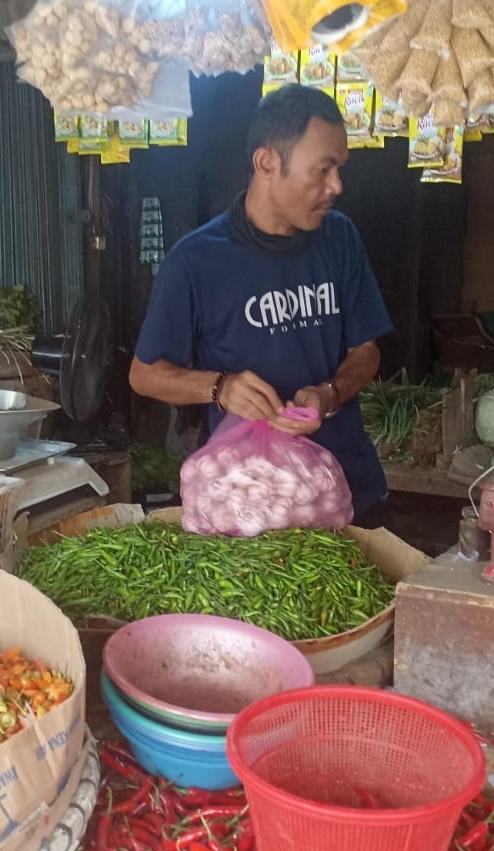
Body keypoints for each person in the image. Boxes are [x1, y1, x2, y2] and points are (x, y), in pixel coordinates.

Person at [129, 83, 394, 528]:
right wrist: (220, 388)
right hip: (252, 507)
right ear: (266, 162)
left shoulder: (340, 238)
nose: (337, 186)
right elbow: (144, 374)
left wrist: (329, 394)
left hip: (346, 491)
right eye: (323, 169)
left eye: (340, 169)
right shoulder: (195, 262)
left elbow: (366, 353)